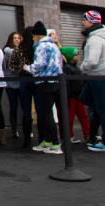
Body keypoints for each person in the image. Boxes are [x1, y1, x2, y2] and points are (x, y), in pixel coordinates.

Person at [78, 10, 105, 152]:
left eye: (84, 19)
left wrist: (83, 67)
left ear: (91, 21)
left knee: (102, 110)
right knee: (85, 98)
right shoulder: (101, 37)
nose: (82, 22)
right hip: (99, 77)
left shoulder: (94, 38)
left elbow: (92, 60)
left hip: (99, 77)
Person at [26, 21, 63, 154]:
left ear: (35, 35)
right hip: (56, 82)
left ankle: (55, 144)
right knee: (49, 113)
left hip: (44, 82)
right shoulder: (53, 46)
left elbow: (39, 64)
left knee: (46, 114)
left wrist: (27, 68)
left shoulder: (41, 47)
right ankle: (47, 142)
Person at [8, 26, 39, 148]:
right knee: (40, 108)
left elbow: (11, 67)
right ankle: (41, 138)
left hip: (24, 79)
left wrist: (22, 69)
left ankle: (27, 138)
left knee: (26, 110)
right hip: (37, 79)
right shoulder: (38, 49)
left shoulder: (19, 50)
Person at [61, 47, 90, 143]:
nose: (78, 56)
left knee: (84, 116)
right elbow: (67, 85)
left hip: (78, 96)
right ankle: (70, 136)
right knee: (70, 118)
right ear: (70, 56)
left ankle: (88, 134)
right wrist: (67, 97)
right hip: (72, 97)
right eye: (76, 54)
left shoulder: (76, 67)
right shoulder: (67, 68)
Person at [2, 31, 22, 140]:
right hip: (10, 82)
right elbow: (4, 66)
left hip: (21, 81)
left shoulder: (22, 51)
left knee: (23, 105)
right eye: (14, 38)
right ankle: (14, 129)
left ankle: (26, 128)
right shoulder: (7, 51)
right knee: (13, 106)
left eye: (18, 38)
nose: (16, 40)